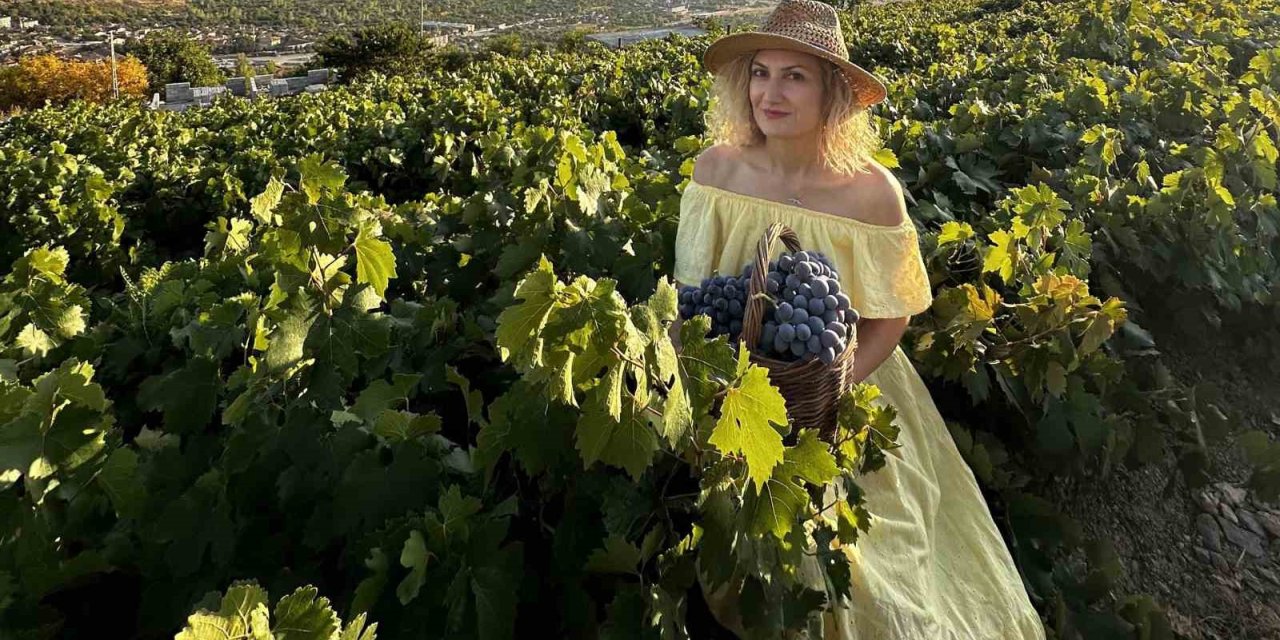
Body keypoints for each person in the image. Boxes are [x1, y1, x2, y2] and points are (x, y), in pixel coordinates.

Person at [670, 1, 1047, 638]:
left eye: (795, 76)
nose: (771, 91)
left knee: (870, 566)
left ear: (832, 94)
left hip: (845, 385)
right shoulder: (715, 172)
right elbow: (692, 297)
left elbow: (890, 319)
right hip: (739, 389)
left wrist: (831, 390)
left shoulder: (871, 193)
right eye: (761, 73)